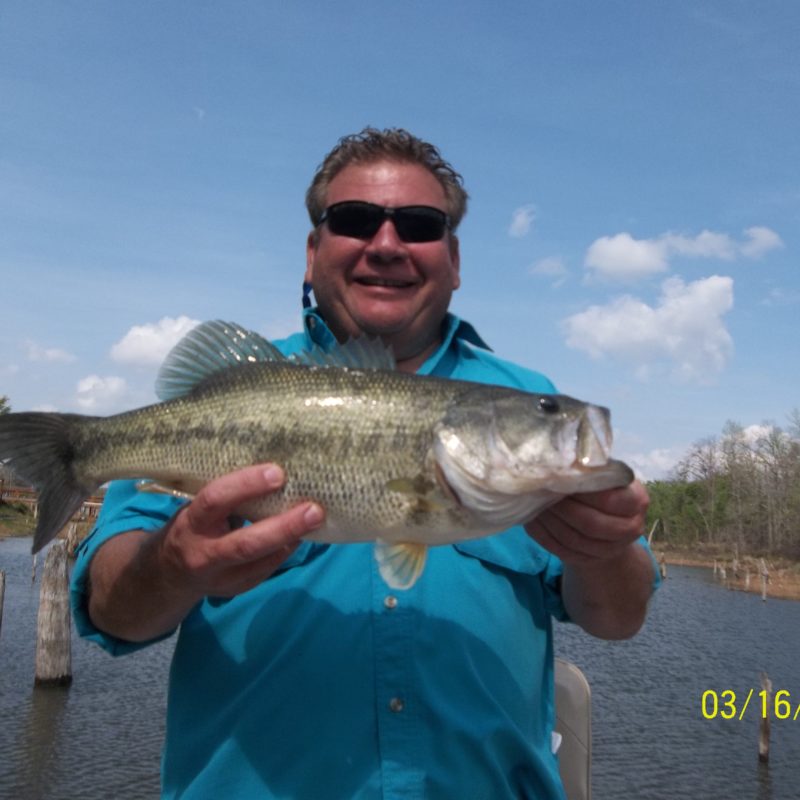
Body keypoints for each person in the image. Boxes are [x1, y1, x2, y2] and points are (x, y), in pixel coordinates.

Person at [72, 127, 659, 800]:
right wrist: (173, 564)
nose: (386, 244)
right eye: (354, 220)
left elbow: (619, 619)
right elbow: (111, 610)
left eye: (420, 225)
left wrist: (605, 551)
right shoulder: (238, 395)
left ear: (454, 259)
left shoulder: (520, 390)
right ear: (312, 251)